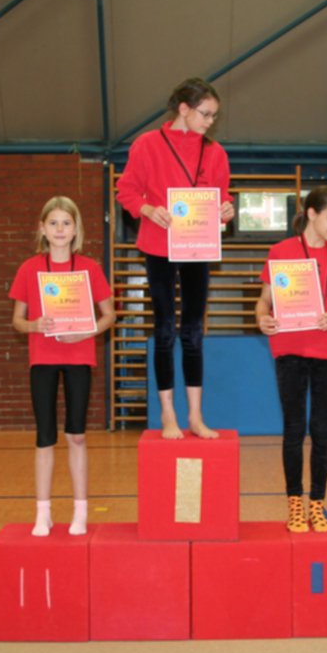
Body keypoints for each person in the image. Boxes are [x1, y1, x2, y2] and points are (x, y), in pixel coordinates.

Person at [116, 77, 234, 440]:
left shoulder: (215, 152)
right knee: (165, 328)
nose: (210, 121)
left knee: (193, 330)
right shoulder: (147, 144)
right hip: (159, 245)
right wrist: (148, 209)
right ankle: (168, 414)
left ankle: (196, 416)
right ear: (184, 109)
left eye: (214, 115)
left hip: (198, 246)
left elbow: (222, 196)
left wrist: (226, 210)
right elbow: (126, 190)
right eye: (205, 113)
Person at [255, 185, 327, 533]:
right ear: (312, 214)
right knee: (293, 429)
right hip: (289, 351)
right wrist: (262, 318)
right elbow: (264, 301)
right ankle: (294, 505)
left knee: (321, 430)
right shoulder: (281, 251)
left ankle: (317, 504)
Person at [9, 196, 116, 537]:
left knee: (77, 435)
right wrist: (34, 325)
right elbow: (17, 320)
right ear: (42, 228)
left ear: (75, 230)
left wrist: (88, 330)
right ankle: (43, 513)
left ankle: (80, 511)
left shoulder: (89, 268)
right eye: (53, 223)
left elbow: (109, 315)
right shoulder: (29, 268)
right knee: (44, 437)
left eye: (66, 223)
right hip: (42, 358)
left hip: (79, 358)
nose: (59, 229)